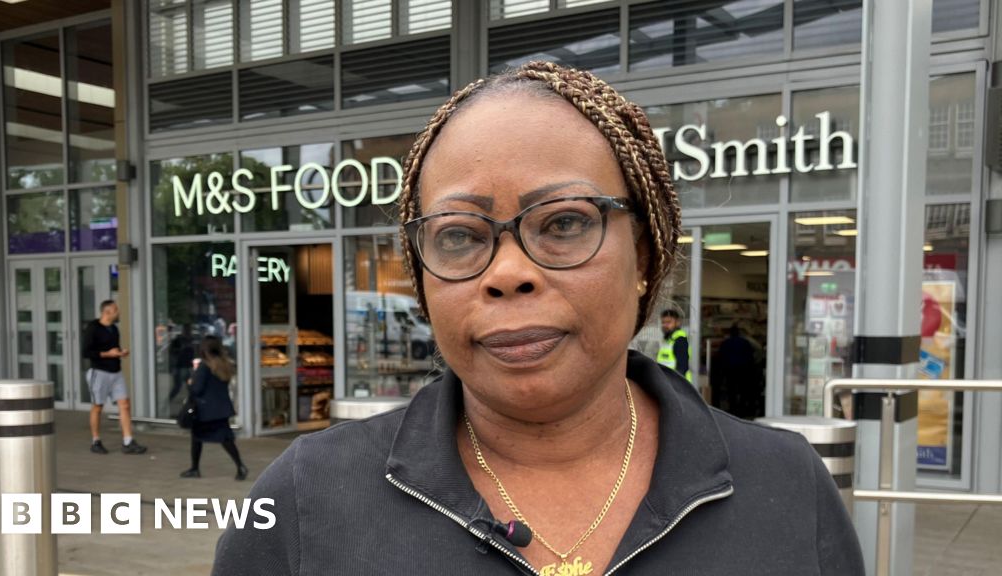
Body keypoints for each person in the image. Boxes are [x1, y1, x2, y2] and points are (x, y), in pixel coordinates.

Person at [212, 62, 863, 574]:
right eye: (460, 236)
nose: (506, 272)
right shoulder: (305, 499)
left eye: (564, 223)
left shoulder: (786, 488)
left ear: (642, 252)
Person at [180, 335, 247, 480]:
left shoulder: (205, 367)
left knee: (197, 437)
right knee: (225, 439)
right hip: (221, 409)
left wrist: (190, 382)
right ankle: (240, 466)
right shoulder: (224, 364)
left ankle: (194, 468)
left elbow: (197, 389)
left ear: (204, 350)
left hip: (205, 411)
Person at [83, 300, 147, 455]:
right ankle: (96, 441)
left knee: (124, 404)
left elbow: (114, 348)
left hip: (116, 372)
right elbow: (86, 353)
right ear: (107, 312)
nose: (118, 312)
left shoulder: (114, 329)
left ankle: (128, 441)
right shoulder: (93, 328)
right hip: (99, 372)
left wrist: (120, 352)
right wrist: (107, 354)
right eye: (115, 310)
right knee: (98, 406)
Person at [713, 324, 761, 418]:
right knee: (743, 390)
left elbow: (721, 356)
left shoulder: (726, 343)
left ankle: (733, 409)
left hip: (730, 370)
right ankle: (742, 409)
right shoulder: (745, 342)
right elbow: (750, 355)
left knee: (732, 390)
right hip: (743, 370)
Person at [656, 309, 691, 381]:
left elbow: (682, 368)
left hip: (677, 385)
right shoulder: (667, 340)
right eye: (663, 322)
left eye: (669, 322)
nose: (665, 325)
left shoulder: (680, 340)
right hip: (667, 382)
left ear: (677, 323)